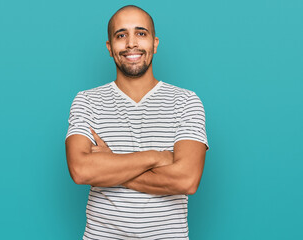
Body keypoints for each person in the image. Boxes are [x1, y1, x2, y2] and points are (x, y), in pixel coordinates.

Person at [65, 5, 209, 240]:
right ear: (110, 48)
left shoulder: (185, 101)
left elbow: (187, 180)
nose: (131, 43)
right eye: (121, 35)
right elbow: (81, 171)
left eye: (141, 33)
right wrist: (156, 156)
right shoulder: (87, 101)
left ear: (155, 43)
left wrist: (109, 164)